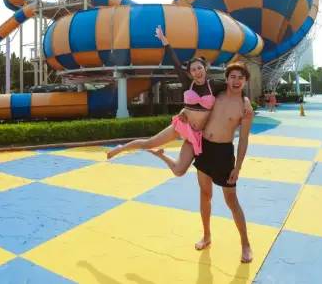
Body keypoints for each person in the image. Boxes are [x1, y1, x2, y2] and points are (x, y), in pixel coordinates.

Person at [106, 26, 253, 178]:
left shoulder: (214, 85)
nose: (197, 72)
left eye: (199, 68)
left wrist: (246, 100)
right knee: (149, 143)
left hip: (197, 134)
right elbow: (175, 63)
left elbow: (234, 88)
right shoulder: (187, 83)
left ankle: (161, 155)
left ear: (205, 68)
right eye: (193, 70)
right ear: (190, 73)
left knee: (179, 171)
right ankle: (121, 148)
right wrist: (165, 42)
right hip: (182, 125)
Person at [191, 62, 253, 263]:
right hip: (204, 149)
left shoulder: (245, 107)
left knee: (231, 201)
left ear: (245, 81)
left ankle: (245, 244)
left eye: (240, 78)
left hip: (224, 153)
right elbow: (196, 101)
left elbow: (243, 139)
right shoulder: (216, 95)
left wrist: (238, 167)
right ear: (226, 79)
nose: (236, 81)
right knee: (205, 194)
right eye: (232, 77)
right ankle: (207, 235)